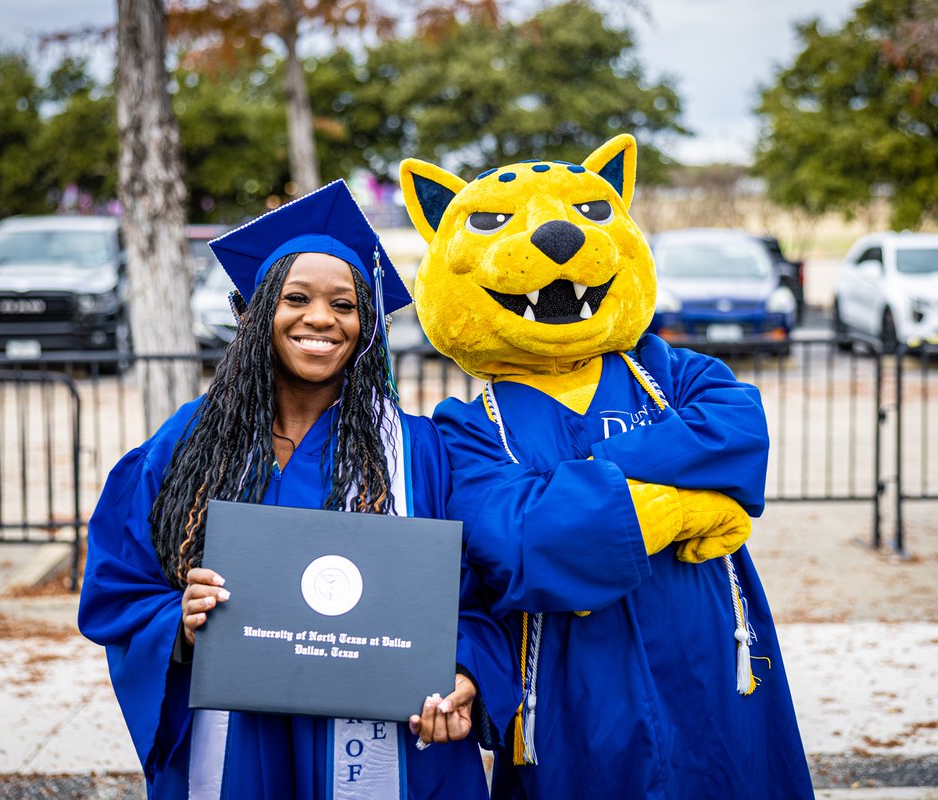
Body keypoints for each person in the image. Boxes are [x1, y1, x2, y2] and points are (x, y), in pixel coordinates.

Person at [398, 136, 815, 798]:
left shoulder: (672, 373)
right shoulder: (465, 429)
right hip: (573, 684)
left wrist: (575, 480)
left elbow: (737, 434)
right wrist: (682, 506)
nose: (559, 240)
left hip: (708, 651)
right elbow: (523, 543)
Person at [78, 181, 514, 800]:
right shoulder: (189, 444)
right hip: (237, 740)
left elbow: (482, 594)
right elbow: (118, 589)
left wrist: (466, 671)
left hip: (384, 741)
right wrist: (177, 622)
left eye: (344, 304)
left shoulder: (416, 450)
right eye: (296, 298)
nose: (320, 319)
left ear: (366, 326)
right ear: (255, 314)